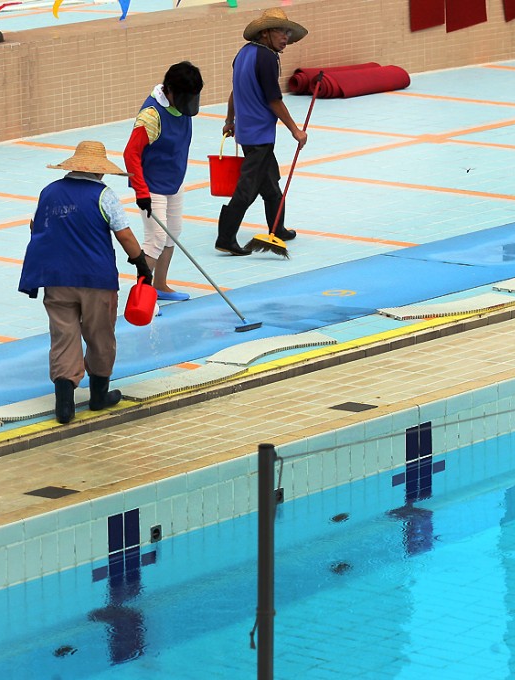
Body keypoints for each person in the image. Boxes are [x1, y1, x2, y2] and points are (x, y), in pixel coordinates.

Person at [18, 141, 153, 424]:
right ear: (99, 171)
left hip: (57, 279)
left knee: (63, 336)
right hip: (96, 280)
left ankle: (64, 406)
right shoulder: (104, 195)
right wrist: (141, 263)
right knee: (100, 335)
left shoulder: (49, 192)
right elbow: (124, 235)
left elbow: (36, 227)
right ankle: (98, 396)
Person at [216, 8, 309, 255]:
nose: (286, 37)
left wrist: (229, 119)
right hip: (259, 135)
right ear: (266, 33)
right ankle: (225, 237)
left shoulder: (243, 53)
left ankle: (277, 228)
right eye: (281, 31)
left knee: (270, 183)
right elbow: (274, 100)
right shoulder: (267, 58)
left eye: (288, 32)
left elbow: (236, 90)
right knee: (247, 188)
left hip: (249, 132)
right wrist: (295, 130)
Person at [123, 61, 204, 302]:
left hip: (175, 180)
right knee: (156, 238)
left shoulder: (182, 106)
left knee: (172, 234)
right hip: (152, 186)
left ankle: (160, 285)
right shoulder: (151, 115)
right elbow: (131, 154)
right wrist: (141, 192)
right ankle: (141, 296)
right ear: (169, 90)